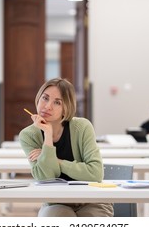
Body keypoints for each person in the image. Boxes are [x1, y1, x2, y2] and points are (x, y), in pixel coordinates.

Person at [19, 78, 113, 217]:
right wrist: (48, 135)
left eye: (57, 102)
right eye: (45, 98)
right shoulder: (28, 135)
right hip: (55, 203)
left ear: (66, 108)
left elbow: (95, 174)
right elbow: (45, 179)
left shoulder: (82, 127)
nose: (48, 106)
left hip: (91, 200)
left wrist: (56, 160)